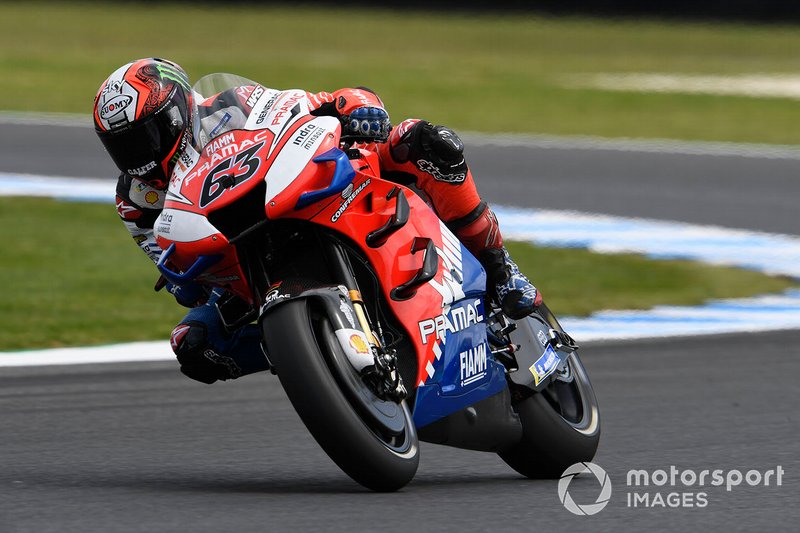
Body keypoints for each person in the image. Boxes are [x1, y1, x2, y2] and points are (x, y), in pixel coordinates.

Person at [93, 58, 540, 384]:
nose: (140, 156)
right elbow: (169, 262)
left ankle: (500, 268)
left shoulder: (232, 103)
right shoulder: (136, 199)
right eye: (124, 147)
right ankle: (307, 353)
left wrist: (353, 107)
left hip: (324, 189)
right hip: (242, 267)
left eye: (146, 136)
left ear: (177, 111)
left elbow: (311, 103)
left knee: (424, 142)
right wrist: (182, 279)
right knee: (193, 343)